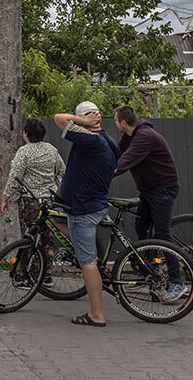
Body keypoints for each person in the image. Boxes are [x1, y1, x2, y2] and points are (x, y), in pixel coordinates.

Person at [53, 101, 119, 328]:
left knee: (88, 263)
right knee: (57, 217)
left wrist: (84, 120)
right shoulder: (108, 140)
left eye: (94, 115)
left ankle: (96, 314)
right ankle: (83, 247)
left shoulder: (89, 139)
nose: (94, 117)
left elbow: (59, 118)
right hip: (93, 204)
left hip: (84, 209)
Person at [112, 105, 185, 302]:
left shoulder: (144, 136)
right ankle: (148, 271)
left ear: (123, 122)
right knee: (141, 228)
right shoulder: (129, 136)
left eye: (116, 121)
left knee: (161, 234)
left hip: (163, 188)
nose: (115, 123)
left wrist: (105, 175)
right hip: (148, 189)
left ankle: (177, 282)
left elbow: (125, 161)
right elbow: (116, 152)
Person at [1, 118, 65, 287]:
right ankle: (47, 276)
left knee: (30, 238)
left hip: (31, 201)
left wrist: (6, 197)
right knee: (47, 238)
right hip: (50, 201)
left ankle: (30, 277)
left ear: (26, 134)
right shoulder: (51, 149)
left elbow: (15, 176)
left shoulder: (24, 152)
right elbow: (62, 171)